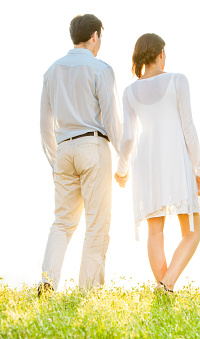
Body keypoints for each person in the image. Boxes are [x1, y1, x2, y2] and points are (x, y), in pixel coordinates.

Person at [115, 33, 200, 293]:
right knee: (192, 232)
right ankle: (166, 285)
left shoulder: (129, 91)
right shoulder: (178, 80)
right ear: (159, 54)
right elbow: (188, 126)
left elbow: (129, 136)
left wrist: (121, 170)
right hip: (176, 159)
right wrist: (199, 168)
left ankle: (164, 289)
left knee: (155, 232)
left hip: (146, 162)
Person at [39, 14, 122, 293]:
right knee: (97, 224)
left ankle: (48, 281)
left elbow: (44, 125)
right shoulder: (101, 69)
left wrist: (54, 160)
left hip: (63, 150)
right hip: (93, 147)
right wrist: (123, 157)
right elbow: (112, 120)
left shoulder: (52, 71)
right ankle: (88, 292)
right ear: (95, 36)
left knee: (62, 223)